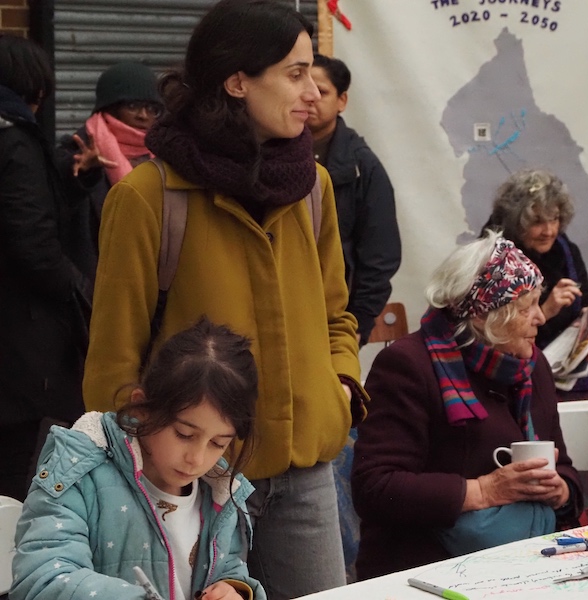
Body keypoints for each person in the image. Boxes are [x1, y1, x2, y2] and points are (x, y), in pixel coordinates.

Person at [81, 1, 366, 598]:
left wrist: (337, 389)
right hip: (194, 484)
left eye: (313, 71)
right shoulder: (148, 198)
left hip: (307, 476)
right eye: (294, 72)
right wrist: (163, 470)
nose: (313, 90)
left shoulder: (313, 187)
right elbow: (112, 365)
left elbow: (339, 314)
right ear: (237, 80)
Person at [351, 233, 582, 580]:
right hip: (427, 572)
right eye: (526, 307)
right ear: (486, 314)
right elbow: (375, 487)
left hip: (525, 563)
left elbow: (563, 465)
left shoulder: (533, 366)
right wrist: (482, 491)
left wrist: (561, 489)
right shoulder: (408, 364)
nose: (541, 318)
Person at [11, 318, 266, 600]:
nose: (197, 458)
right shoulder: (78, 470)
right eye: (183, 434)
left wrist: (234, 590)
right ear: (142, 408)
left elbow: (228, 567)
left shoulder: (218, 491)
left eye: (219, 443)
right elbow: (42, 579)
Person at [0, 33, 91, 501]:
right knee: (17, 479)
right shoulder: (14, 139)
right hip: (19, 347)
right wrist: (77, 288)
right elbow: (33, 243)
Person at [482, 168, 588, 400]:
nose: (549, 231)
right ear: (516, 221)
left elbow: (587, 302)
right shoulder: (493, 257)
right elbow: (493, 335)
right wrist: (546, 310)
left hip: (564, 372)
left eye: (554, 219)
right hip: (512, 372)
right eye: (537, 222)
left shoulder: (565, 249)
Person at [306, 53, 401, 345]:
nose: (310, 97)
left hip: (335, 321)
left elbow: (380, 257)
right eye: (303, 86)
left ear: (342, 101)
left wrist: (357, 323)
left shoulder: (363, 167)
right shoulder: (271, 152)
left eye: (321, 91)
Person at [55, 61, 162, 283]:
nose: (143, 116)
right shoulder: (78, 149)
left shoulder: (164, 154)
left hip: (148, 276)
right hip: (100, 282)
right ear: (111, 106)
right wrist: (84, 175)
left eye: (152, 109)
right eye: (133, 106)